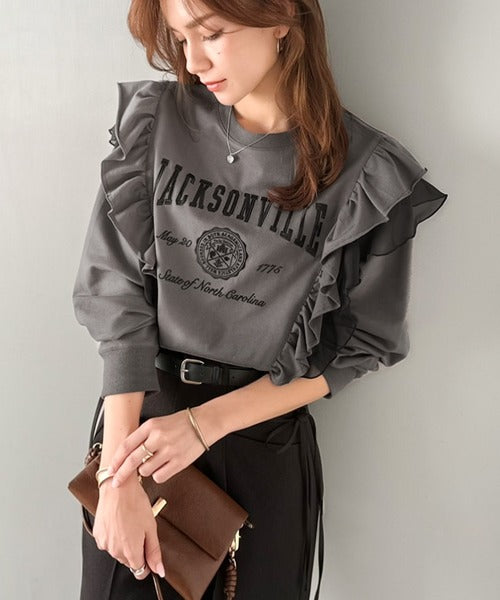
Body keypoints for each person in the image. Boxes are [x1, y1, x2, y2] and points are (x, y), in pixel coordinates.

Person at [71, 0, 448, 598]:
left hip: (262, 441)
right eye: (181, 39)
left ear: (281, 17)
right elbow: (116, 298)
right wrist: (117, 479)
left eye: (212, 33)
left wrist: (204, 424)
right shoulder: (156, 122)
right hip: (139, 429)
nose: (194, 62)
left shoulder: (366, 175)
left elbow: (360, 346)